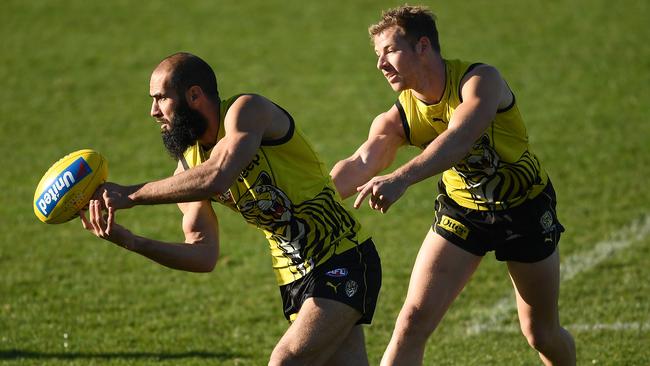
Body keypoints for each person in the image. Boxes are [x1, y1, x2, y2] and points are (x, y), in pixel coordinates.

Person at [80, 52, 381, 366]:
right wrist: (131, 241)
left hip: (344, 255)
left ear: (194, 95)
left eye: (161, 99)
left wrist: (132, 194)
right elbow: (203, 254)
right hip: (293, 278)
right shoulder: (188, 170)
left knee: (285, 361)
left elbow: (218, 174)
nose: (153, 111)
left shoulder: (247, 111)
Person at [330, 5, 575, 366]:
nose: (381, 64)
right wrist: (310, 201)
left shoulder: (480, 81)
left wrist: (401, 178)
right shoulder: (400, 116)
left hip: (525, 209)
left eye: (390, 51)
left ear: (423, 46)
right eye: (377, 55)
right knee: (411, 322)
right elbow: (362, 161)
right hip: (464, 213)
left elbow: (460, 137)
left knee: (540, 332)